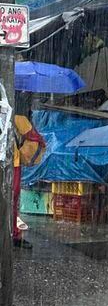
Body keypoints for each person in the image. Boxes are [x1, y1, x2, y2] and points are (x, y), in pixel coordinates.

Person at [12, 93, 46, 249]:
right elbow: (36, 139)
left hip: (10, 162)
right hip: (12, 163)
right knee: (12, 199)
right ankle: (14, 233)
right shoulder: (19, 118)